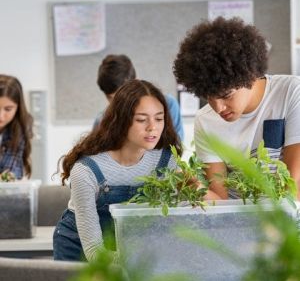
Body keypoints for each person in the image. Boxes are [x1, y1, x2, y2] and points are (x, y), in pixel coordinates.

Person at [53, 79, 219, 262]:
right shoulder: (86, 171)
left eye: (159, 118)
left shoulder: (166, 161)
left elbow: (194, 208)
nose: (152, 127)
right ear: (121, 121)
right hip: (79, 247)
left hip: (128, 245)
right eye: (141, 119)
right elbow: (94, 252)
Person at [173, 17, 300, 200]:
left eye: (226, 95)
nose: (218, 108)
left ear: (251, 76)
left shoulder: (291, 92)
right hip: (240, 219)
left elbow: (294, 184)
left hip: (285, 218)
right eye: (209, 98)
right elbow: (220, 200)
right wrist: (196, 188)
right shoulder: (205, 120)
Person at [94, 54, 184, 141]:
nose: (118, 105)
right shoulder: (102, 120)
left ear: (135, 82)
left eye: (122, 97)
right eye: (111, 98)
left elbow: (176, 147)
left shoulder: (167, 104)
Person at [0, 74, 33, 179]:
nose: (1, 116)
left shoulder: (21, 126)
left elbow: (10, 173)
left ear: (18, 108)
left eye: (8, 109)